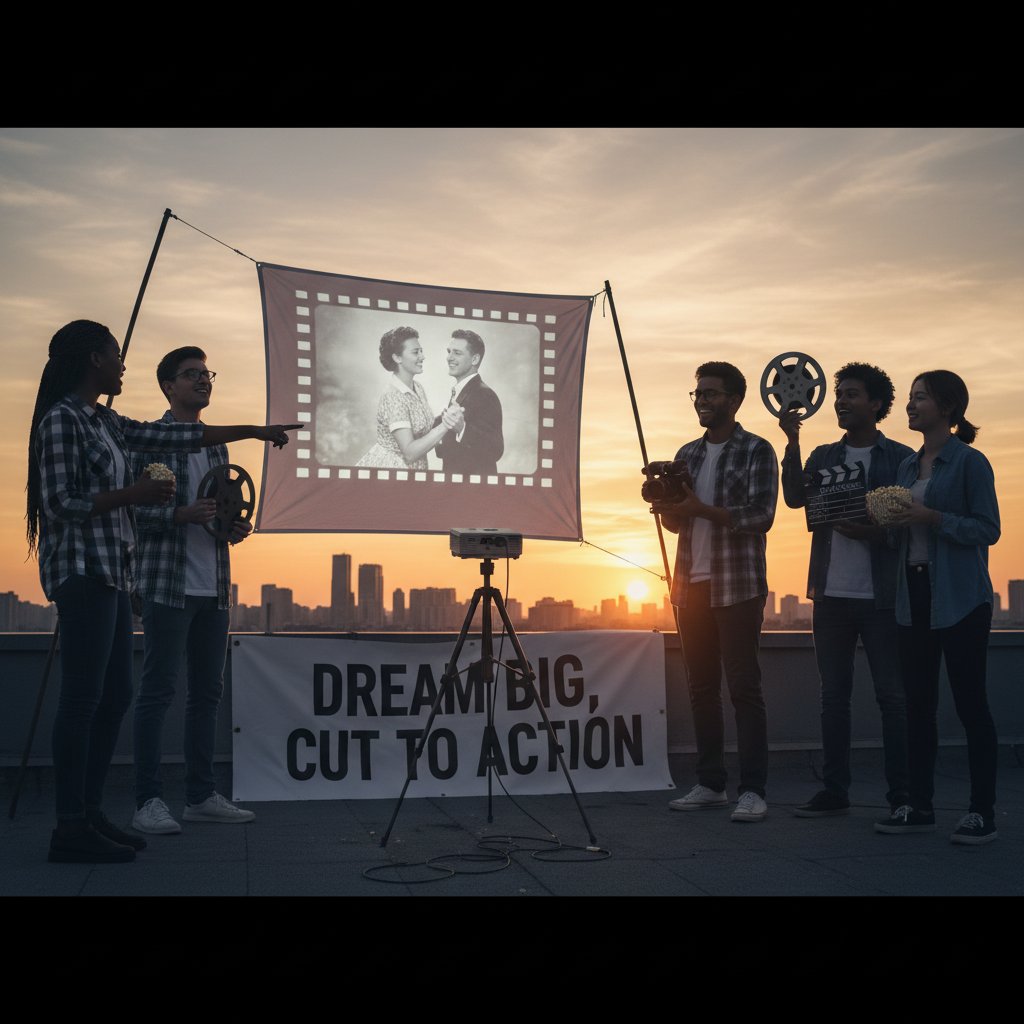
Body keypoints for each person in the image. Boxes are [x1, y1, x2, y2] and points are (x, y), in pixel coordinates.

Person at [26, 319, 297, 863]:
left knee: (117, 696)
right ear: (92, 360)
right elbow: (58, 504)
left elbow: (184, 435)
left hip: (114, 574)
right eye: (115, 355)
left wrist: (253, 433)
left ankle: (94, 814)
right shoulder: (62, 421)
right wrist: (140, 495)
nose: (121, 364)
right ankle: (71, 824)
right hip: (82, 571)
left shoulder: (105, 421)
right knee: (85, 700)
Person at [644, 361, 778, 822]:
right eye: (698, 393)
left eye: (712, 393)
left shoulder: (757, 450)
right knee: (701, 688)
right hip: (690, 585)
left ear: (735, 400)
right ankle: (710, 783)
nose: (702, 400)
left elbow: (761, 516)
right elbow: (680, 522)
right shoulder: (688, 455)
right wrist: (666, 505)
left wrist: (700, 507)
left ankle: (753, 790)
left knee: (744, 688)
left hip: (737, 584)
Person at [130, 347, 255, 835]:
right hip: (167, 584)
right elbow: (128, 510)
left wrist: (231, 528)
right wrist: (177, 515)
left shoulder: (218, 448)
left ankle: (200, 796)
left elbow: (220, 509)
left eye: (208, 374)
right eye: (192, 374)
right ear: (167, 385)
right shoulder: (149, 441)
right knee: (157, 692)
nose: (204, 381)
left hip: (215, 587)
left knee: (207, 694)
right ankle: (147, 802)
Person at [779, 363, 913, 818]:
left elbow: (908, 528)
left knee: (892, 697)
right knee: (833, 697)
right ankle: (835, 791)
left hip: (882, 595)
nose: (841, 401)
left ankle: (902, 796)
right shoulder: (821, 455)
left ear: (876, 404)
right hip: (831, 593)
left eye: (852, 394)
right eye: (839, 394)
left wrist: (874, 534)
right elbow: (796, 498)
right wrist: (791, 442)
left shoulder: (900, 458)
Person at [874, 370, 1000, 844]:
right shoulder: (908, 467)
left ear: (947, 408)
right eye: (909, 397)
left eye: (919, 398)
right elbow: (904, 535)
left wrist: (933, 518)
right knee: (919, 707)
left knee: (971, 706)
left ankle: (981, 812)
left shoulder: (970, 462)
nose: (909, 405)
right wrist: (888, 520)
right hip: (915, 593)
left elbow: (987, 529)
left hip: (962, 597)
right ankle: (918, 805)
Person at [356, 326, 463, 469]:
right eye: (415, 352)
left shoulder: (417, 387)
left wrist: (450, 415)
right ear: (397, 357)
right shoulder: (393, 397)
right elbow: (410, 453)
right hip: (392, 470)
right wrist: (446, 424)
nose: (422, 356)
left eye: (421, 351)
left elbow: (423, 426)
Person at [434, 329, 504, 477]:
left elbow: (496, 449)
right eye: (449, 351)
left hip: (475, 490)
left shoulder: (485, 395)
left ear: (475, 360)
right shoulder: (463, 390)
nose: (449, 358)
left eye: (457, 353)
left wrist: (462, 429)